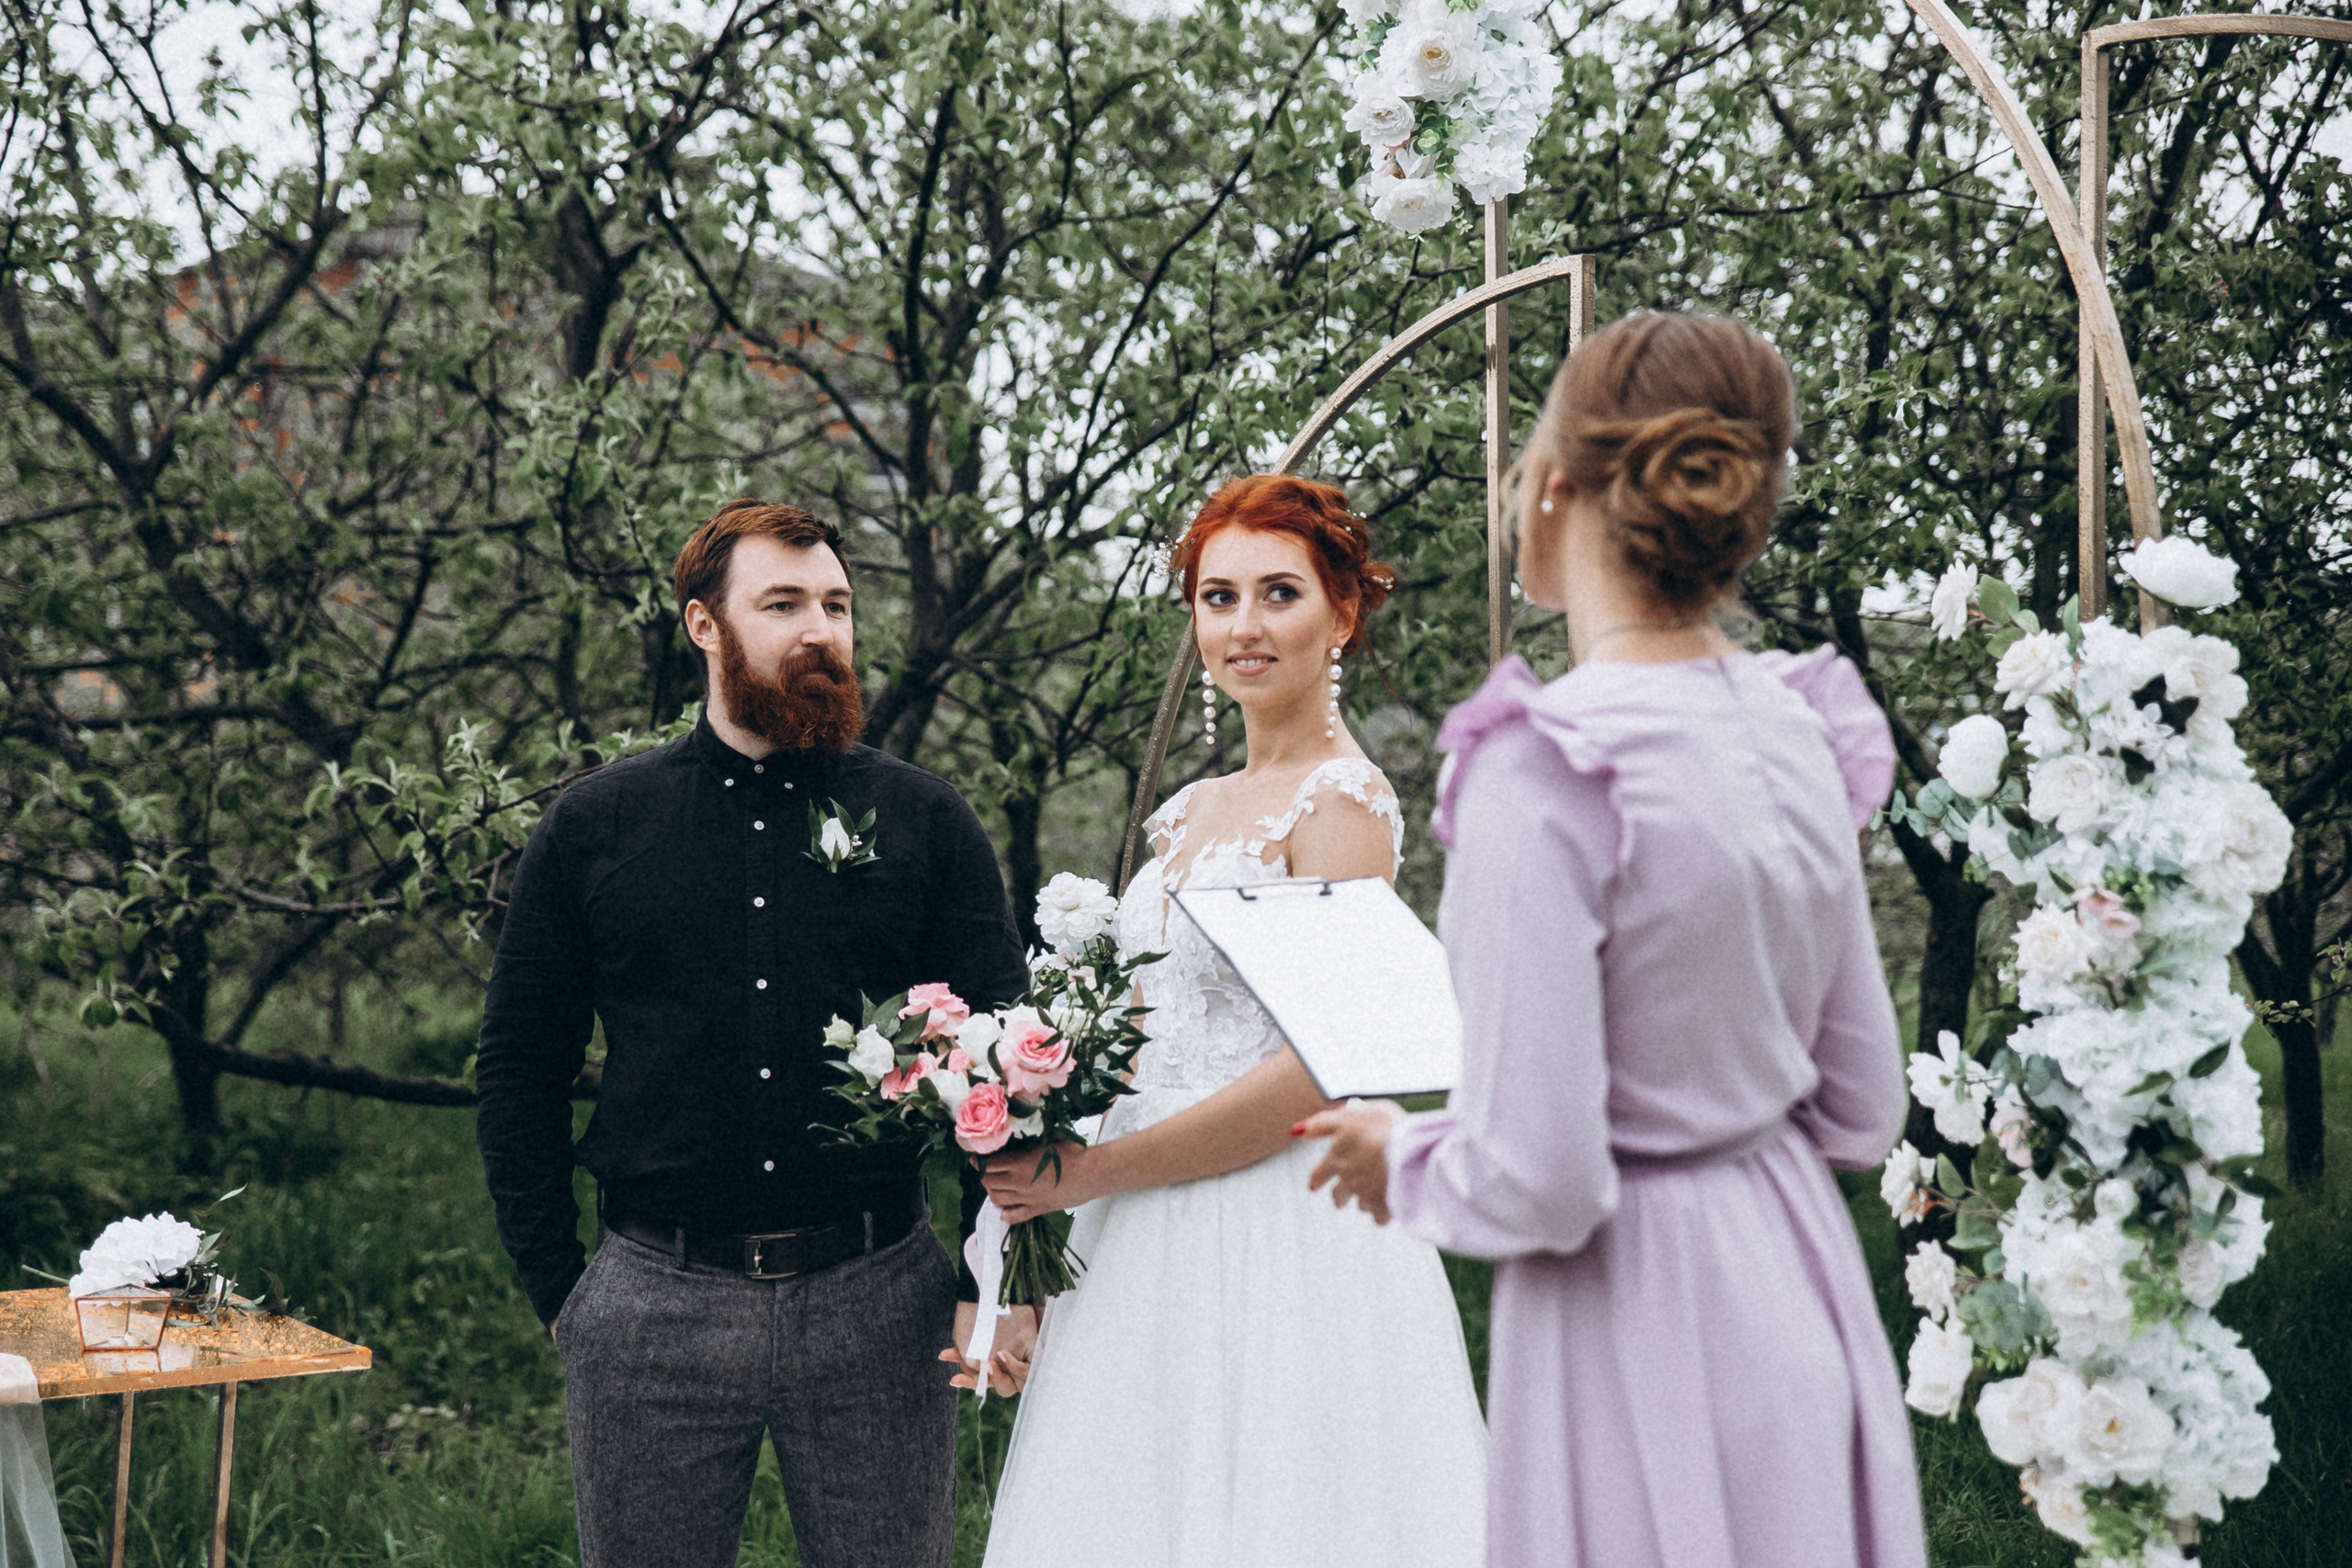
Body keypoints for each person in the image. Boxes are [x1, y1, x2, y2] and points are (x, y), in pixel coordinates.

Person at [1304, 312, 1929, 1568]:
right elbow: (1866, 1106)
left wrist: (1405, 1150)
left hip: (1633, 1313)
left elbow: (1541, 1175)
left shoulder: (1545, 767)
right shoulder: (1802, 725)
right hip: (1798, 1276)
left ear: (1548, 487)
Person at [473, 500, 1035, 1568]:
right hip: (651, 1307)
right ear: (704, 626)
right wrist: (563, 1290)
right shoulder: (596, 827)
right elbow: (519, 1065)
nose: (819, 629)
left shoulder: (925, 820)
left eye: (836, 603)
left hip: (882, 1299)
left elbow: (1004, 1061)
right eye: (782, 604)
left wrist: (987, 1279)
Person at [965, 474, 1486, 1568]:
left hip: (1280, 1234)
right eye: (1217, 597)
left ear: (1341, 613)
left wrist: (1091, 1178)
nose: (1243, 627)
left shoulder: (1341, 805)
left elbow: (1320, 1072)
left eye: (1278, 594)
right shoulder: (1190, 811)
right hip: (1142, 1236)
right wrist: (1034, 1257)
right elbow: (1134, 1046)